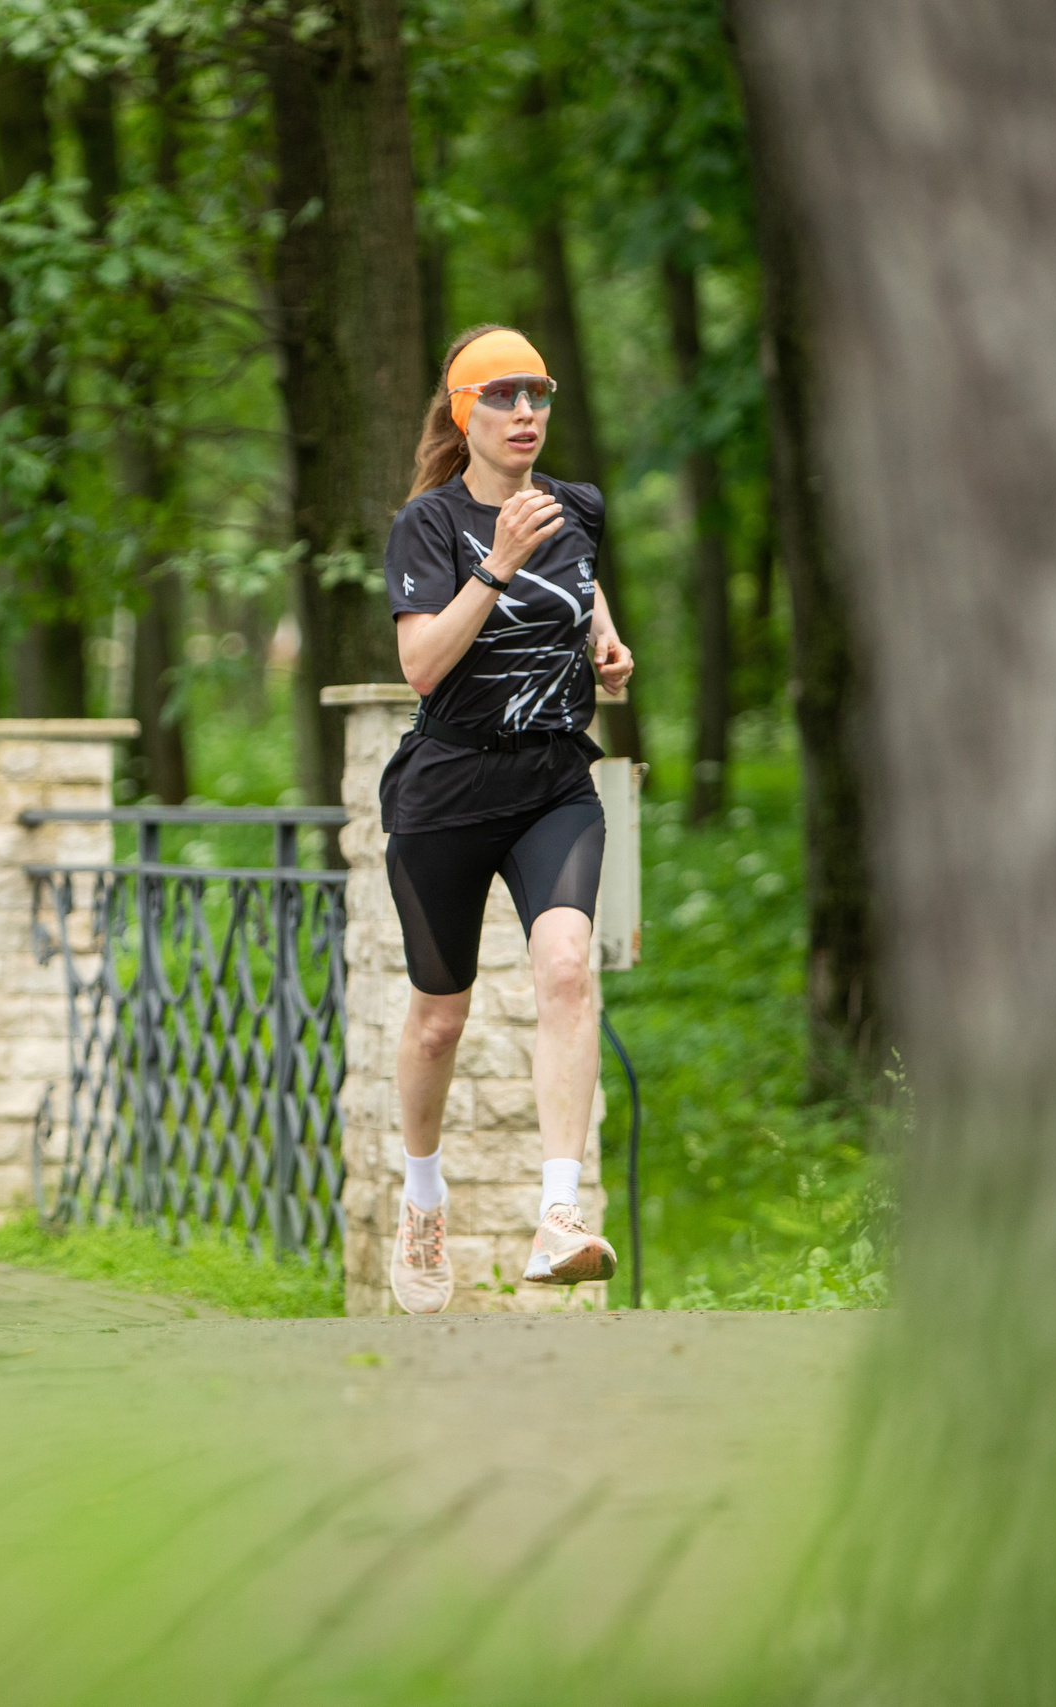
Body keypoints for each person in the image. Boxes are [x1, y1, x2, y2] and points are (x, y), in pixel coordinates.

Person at [380, 324, 637, 1315]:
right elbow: (420, 667)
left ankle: (558, 1217)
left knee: (567, 970)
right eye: (503, 396)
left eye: (538, 394)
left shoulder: (577, 509)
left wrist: (606, 642)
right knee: (439, 1023)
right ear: (464, 413)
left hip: (552, 784)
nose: (526, 413)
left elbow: (579, 583)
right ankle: (422, 1200)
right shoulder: (429, 527)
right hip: (445, 793)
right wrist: (494, 565)